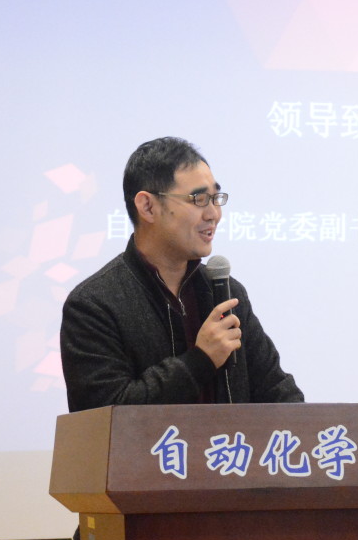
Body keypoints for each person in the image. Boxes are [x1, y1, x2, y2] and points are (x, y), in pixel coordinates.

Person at [60, 137, 302, 412]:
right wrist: (200, 360)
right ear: (148, 207)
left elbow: (279, 393)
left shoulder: (227, 293)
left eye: (216, 198)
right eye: (199, 199)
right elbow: (105, 417)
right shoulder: (94, 304)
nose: (213, 214)